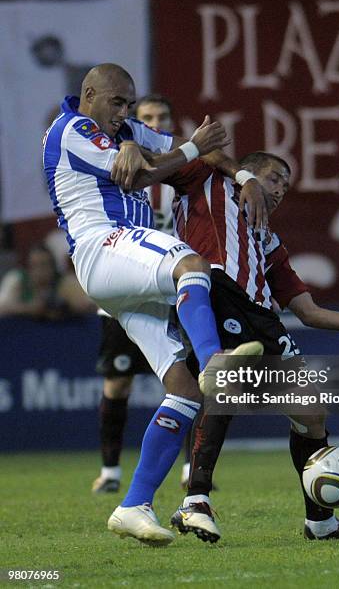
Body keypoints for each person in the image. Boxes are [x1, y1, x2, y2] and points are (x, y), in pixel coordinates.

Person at [112, 151, 339, 542]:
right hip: (216, 290)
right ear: (248, 175)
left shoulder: (268, 240)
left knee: (312, 412)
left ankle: (320, 523)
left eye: (286, 186)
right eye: (274, 179)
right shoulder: (211, 185)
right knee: (225, 384)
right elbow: (183, 157)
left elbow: (308, 311)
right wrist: (138, 146)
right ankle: (195, 501)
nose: (280, 190)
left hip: (262, 316)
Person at [42, 63, 266, 546]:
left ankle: (134, 504)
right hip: (103, 246)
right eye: (116, 103)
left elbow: (195, 158)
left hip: (124, 269)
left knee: (183, 392)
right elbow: (144, 172)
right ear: (88, 95)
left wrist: (242, 173)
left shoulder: (123, 130)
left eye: (129, 104)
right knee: (192, 264)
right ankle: (215, 363)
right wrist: (177, 148)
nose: (123, 113)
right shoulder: (69, 129)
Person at [92, 93, 192, 494]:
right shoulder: (116, 163)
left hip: (174, 283)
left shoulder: (183, 175)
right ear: (135, 123)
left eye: (162, 116)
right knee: (118, 383)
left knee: (194, 377)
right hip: (126, 283)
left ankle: (192, 471)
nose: (156, 122)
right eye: (147, 117)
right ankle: (111, 471)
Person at [0, 243, 94, 318]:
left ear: (53, 267)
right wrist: (28, 309)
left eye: (44, 265)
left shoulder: (65, 281)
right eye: (34, 266)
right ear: (27, 268)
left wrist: (72, 307)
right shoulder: (16, 279)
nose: (39, 271)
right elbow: (2, 309)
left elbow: (91, 305)